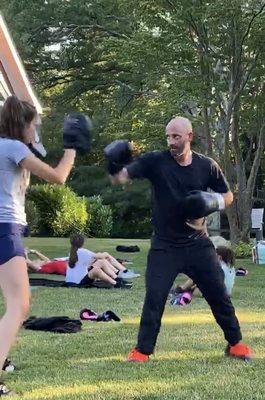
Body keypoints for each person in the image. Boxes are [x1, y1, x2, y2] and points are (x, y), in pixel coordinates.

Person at [105, 116, 252, 362]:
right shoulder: (155, 161)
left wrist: (212, 202)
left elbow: (228, 196)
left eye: (176, 137)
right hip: (165, 245)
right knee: (155, 296)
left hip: (198, 243)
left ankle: (235, 344)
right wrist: (112, 165)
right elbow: (120, 178)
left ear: (189, 137)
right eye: (168, 137)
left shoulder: (207, 166)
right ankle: (142, 351)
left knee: (218, 294)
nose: (171, 142)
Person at [0, 96, 93, 395]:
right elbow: (58, 177)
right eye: (35, 125)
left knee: (12, 304)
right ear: (23, 124)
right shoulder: (13, 147)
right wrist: (71, 149)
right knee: (19, 305)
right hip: (5, 230)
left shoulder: (6, 147)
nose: (36, 131)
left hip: (6, 231)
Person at [65, 234, 139, 286]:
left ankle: (118, 277)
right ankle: (116, 283)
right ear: (82, 243)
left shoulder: (72, 252)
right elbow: (101, 256)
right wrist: (106, 254)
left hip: (73, 280)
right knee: (97, 269)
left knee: (101, 262)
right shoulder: (83, 251)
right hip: (79, 282)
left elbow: (88, 262)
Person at [172, 246, 236, 298]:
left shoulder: (218, 267)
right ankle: (184, 289)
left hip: (218, 293)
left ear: (219, 257)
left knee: (196, 276)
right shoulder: (231, 268)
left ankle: (182, 289)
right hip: (227, 293)